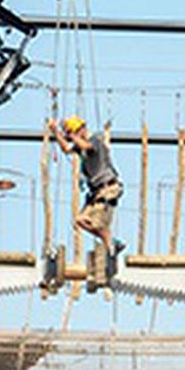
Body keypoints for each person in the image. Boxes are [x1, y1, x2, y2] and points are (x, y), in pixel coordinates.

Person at [49, 116, 124, 287]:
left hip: (108, 189)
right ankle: (111, 242)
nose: (73, 137)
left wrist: (73, 136)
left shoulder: (95, 140)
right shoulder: (79, 145)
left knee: (96, 223)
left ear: (82, 130)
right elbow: (66, 149)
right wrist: (56, 132)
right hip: (97, 192)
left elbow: (86, 147)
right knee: (80, 220)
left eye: (74, 132)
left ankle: (110, 242)